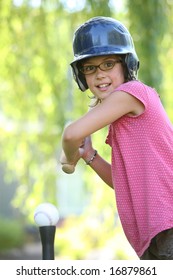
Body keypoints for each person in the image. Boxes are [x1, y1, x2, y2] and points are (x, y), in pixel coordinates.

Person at [60, 16, 173, 260]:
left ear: (125, 64)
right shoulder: (123, 119)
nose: (99, 75)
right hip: (155, 233)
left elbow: (70, 135)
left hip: (168, 226)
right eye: (90, 68)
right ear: (82, 75)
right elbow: (124, 183)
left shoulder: (131, 93)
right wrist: (88, 155)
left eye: (108, 64)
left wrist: (69, 159)